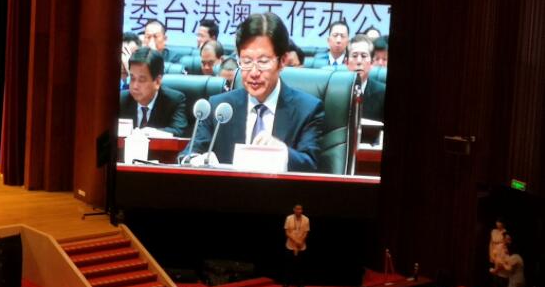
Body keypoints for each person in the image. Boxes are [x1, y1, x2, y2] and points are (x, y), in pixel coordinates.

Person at [180, 13, 323, 172]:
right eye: (246, 61)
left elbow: (312, 165)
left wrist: (282, 153)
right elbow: (187, 155)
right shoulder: (219, 108)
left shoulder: (307, 109)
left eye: (263, 62)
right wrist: (197, 160)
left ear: (282, 61)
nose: (254, 72)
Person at [118, 47, 188, 136]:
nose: (135, 86)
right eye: (132, 78)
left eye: (141, 80)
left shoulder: (174, 101)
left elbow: (179, 132)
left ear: (157, 81)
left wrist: (148, 133)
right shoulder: (121, 100)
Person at [347, 34, 384, 121]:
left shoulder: (383, 93)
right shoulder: (334, 91)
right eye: (354, 56)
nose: (359, 61)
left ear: (372, 63)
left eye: (364, 56)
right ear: (346, 62)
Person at [284, 204, 310, 287]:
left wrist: (300, 241)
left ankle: (300, 283)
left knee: (300, 266)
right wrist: (295, 241)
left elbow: (306, 232)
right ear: (294, 210)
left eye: (300, 209)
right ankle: (287, 282)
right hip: (290, 245)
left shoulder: (306, 219)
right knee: (289, 265)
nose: (299, 211)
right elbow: (287, 232)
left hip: (301, 245)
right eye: (297, 209)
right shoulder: (289, 218)